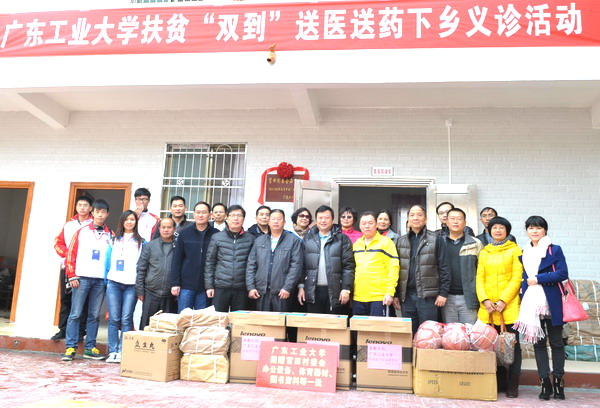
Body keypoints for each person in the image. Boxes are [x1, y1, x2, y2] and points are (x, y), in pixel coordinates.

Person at [514, 216, 568, 400]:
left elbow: (563, 273)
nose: (534, 231)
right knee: (538, 344)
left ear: (545, 230)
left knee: (557, 343)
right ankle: (545, 382)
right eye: (531, 228)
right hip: (531, 303)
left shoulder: (554, 249)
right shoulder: (524, 251)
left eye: (538, 228)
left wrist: (538, 279)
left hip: (552, 302)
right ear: (527, 231)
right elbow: (523, 278)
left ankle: (559, 382)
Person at [476, 216, 523, 398]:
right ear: (489, 231)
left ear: (507, 231)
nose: (497, 230)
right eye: (494, 227)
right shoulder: (484, 252)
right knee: (492, 346)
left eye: (501, 227)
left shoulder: (515, 250)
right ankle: (499, 382)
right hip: (488, 308)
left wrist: (504, 300)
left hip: (508, 307)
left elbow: (517, 277)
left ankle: (513, 384)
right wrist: (485, 300)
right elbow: (479, 278)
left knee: (512, 346)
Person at [62, 199, 112, 361]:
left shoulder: (110, 235)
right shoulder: (81, 231)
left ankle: (90, 348)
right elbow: (71, 253)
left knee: (94, 315)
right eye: (97, 211)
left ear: (107, 214)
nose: (100, 214)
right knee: (75, 314)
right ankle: (70, 347)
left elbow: (111, 258)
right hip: (81, 278)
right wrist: (71, 275)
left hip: (99, 281)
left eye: (103, 212)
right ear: (93, 213)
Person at [395, 205, 450, 334]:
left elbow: (444, 267)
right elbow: (397, 269)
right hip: (407, 297)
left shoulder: (436, 239)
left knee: (428, 334)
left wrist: (443, 293)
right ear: (408, 219)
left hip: (428, 297)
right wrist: (396, 294)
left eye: (419, 215)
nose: (416, 218)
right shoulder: (400, 241)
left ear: (425, 219)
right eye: (412, 215)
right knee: (410, 334)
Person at [298, 205, 355, 314]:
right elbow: (302, 266)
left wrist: (346, 289)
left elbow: (349, 267)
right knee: (314, 322)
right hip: (312, 290)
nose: (323, 221)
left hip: (335, 290)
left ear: (332, 220)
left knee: (333, 323)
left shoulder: (342, 239)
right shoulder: (308, 239)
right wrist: (301, 287)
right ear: (316, 220)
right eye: (320, 218)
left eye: (327, 218)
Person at [105, 210, 145, 363]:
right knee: (114, 318)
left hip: (131, 285)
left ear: (136, 222)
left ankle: (123, 350)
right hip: (114, 283)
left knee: (127, 318)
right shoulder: (113, 240)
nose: (129, 222)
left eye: (132, 219)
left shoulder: (141, 242)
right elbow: (107, 262)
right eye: (126, 219)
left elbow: (142, 265)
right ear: (122, 222)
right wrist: (106, 281)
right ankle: (113, 351)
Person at [52, 195, 93, 341]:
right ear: (76, 207)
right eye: (79, 205)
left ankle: (80, 332)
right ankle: (63, 329)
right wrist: (68, 255)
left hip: (84, 269)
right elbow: (58, 243)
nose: (82, 208)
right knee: (66, 299)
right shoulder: (69, 225)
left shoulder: (93, 225)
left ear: (90, 208)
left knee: (83, 301)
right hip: (67, 267)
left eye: (85, 205)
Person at [246, 209, 304, 312]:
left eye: (279, 219)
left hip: (282, 291)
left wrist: (287, 287)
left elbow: (296, 266)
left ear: (284, 222)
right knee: (262, 320)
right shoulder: (259, 241)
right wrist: (251, 287)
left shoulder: (293, 240)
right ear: (269, 222)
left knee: (280, 320)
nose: (276, 221)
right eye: (273, 219)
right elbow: (251, 265)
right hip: (261, 291)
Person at [205, 205, 256, 312]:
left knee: (239, 319)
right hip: (221, 286)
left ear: (243, 219)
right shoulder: (217, 237)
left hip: (242, 288)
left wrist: (251, 286)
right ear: (227, 218)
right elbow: (210, 262)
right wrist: (209, 286)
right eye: (232, 215)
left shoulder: (251, 238)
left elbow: (253, 264)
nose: (235, 218)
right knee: (219, 318)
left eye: (239, 216)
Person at [171, 201, 218, 312]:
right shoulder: (184, 233)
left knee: (202, 319)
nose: (200, 215)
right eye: (198, 212)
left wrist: (212, 284)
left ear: (210, 215)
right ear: (193, 214)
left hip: (205, 287)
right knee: (184, 318)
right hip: (186, 285)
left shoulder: (216, 234)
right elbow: (177, 259)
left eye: (204, 212)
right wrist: (175, 283)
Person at [352, 211, 399, 317]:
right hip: (358, 297)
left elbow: (393, 268)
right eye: (363, 223)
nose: (367, 226)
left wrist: (390, 292)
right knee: (358, 328)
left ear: (376, 224)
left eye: (370, 223)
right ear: (359, 226)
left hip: (379, 297)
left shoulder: (386, 242)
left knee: (377, 328)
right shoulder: (356, 244)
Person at [441, 208, 483, 324]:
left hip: (468, 297)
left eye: (459, 219)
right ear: (446, 222)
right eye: (452, 219)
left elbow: (481, 270)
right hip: (446, 297)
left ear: (465, 222)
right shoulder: (439, 242)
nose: (456, 221)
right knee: (450, 332)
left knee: (469, 331)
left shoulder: (475, 243)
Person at [137, 217, 178, 329]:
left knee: (167, 328)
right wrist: (140, 290)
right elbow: (141, 269)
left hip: (170, 295)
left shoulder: (179, 246)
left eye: (169, 227)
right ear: (159, 229)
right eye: (163, 227)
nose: (166, 230)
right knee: (146, 325)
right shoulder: (150, 246)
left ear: (174, 229)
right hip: (150, 292)